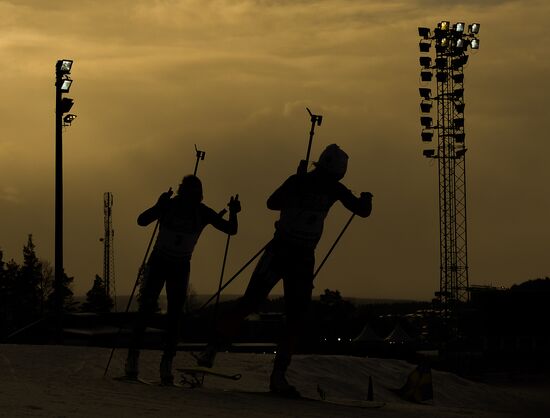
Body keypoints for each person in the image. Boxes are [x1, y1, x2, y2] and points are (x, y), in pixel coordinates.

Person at [196, 144, 373, 397]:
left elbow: (359, 210)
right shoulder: (322, 185)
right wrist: (365, 198)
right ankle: (220, 350)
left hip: (294, 254)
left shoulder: (319, 185)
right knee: (268, 308)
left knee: (280, 312)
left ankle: (266, 370)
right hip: (286, 251)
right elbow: (274, 202)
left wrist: (298, 187)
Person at [125, 175, 240, 385]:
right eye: (189, 194)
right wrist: (158, 206)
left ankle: (164, 362)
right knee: (148, 308)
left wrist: (233, 212)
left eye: (194, 195)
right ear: (183, 192)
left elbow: (231, 230)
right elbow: (142, 221)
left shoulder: (199, 211)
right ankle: (134, 359)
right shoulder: (176, 207)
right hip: (161, 261)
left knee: (173, 314)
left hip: (177, 264)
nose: (190, 199)